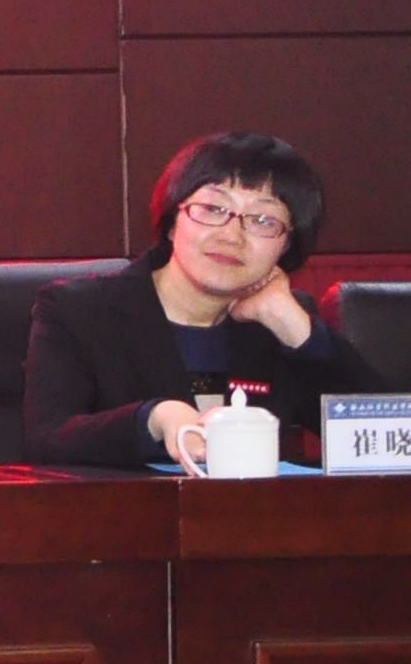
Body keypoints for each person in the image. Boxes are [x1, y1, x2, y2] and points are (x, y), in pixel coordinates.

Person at [28, 131, 389, 464]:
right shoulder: (79, 311)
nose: (232, 236)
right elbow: (47, 440)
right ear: (173, 221)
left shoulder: (279, 326)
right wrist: (153, 419)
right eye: (213, 209)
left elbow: (386, 437)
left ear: (287, 245)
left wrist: (292, 325)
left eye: (263, 220)